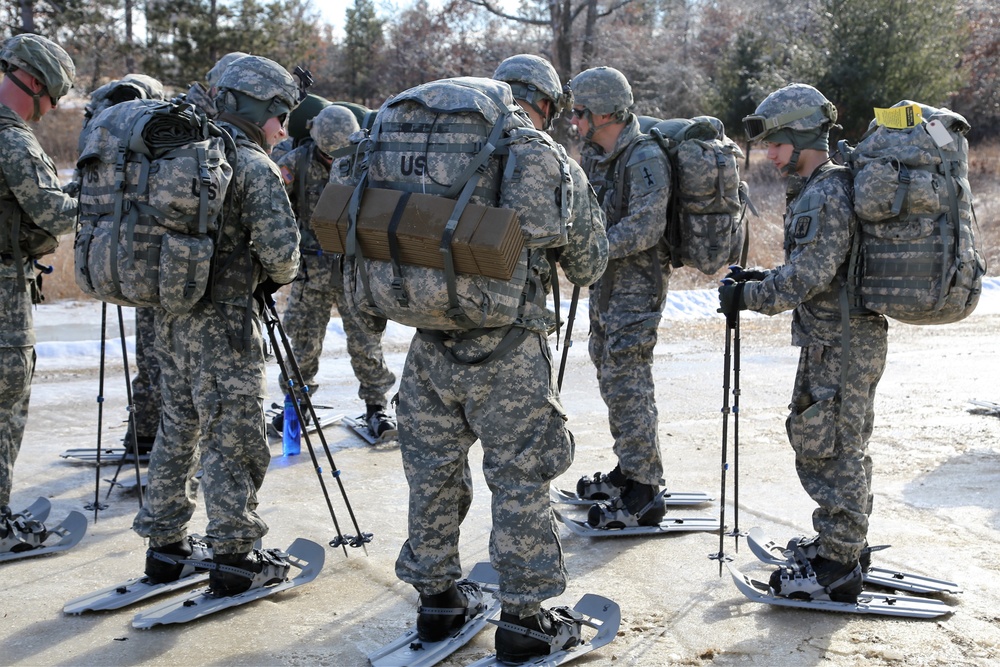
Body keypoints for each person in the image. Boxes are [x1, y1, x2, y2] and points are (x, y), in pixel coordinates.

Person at [385, 69, 608, 664]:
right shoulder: (540, 155)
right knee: (519, 481)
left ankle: (437, 602)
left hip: (429, 342)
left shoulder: (419, 144)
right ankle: (526, 621)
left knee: (431, 474)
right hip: (507, 351)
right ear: (543, 104)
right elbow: (588, 264)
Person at [131, 55, 301, 595]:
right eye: (281, 115)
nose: (284, 129)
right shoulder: (250, 163)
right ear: (259, 109)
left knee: (178, 431)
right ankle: (234, 555)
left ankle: (165, 548)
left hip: (168, 319)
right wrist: (269, 273)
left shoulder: (179, 151)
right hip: (224, 327)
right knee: (234, 437)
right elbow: (283, 255)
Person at [718, 83, 888, 603]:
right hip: (836, 340)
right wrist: (758, 277)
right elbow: (817, 271)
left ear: (801, 136)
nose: (769, 154)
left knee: (830, 449)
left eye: (775, 142)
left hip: (841, 345)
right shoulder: (822, 188)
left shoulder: (825, 192)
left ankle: (838, 567)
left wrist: (749, 295)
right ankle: (842, 543)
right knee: (833, 443)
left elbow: (806, 279)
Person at [567, 66, 672, 529]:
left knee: (630, 385)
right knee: (612, 378)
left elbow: (648, 225)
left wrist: (593, 246)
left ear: (604, 111)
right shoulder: (598, 155)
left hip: (637, 288)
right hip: (605, 287)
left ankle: (645, 492)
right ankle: (630, 468)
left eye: (579, 112)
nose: (574, 120)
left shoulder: (644, 156)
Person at [274, 103, 398, 440]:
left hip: (353, 273)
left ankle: (377, 406)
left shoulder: (366, 162)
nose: (333, 161)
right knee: (301, 344)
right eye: (328, 155)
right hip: (309, 273)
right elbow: (271, 206)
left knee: (365, 343)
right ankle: (295, 403)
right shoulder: (295, 162)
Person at [0, 34, 77, 547]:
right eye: (50, 100)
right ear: (31, 82)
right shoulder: (11, 139)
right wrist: (97, 201)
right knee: (5, 402)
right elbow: (52, 212)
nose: (46, 113)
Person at [75, 73, 167, 456]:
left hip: (109, 249)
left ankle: (143, 431)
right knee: (156, 354)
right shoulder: (156, 124)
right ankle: (150, 434)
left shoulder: (100, 120)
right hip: (149, 253)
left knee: (150, 353)